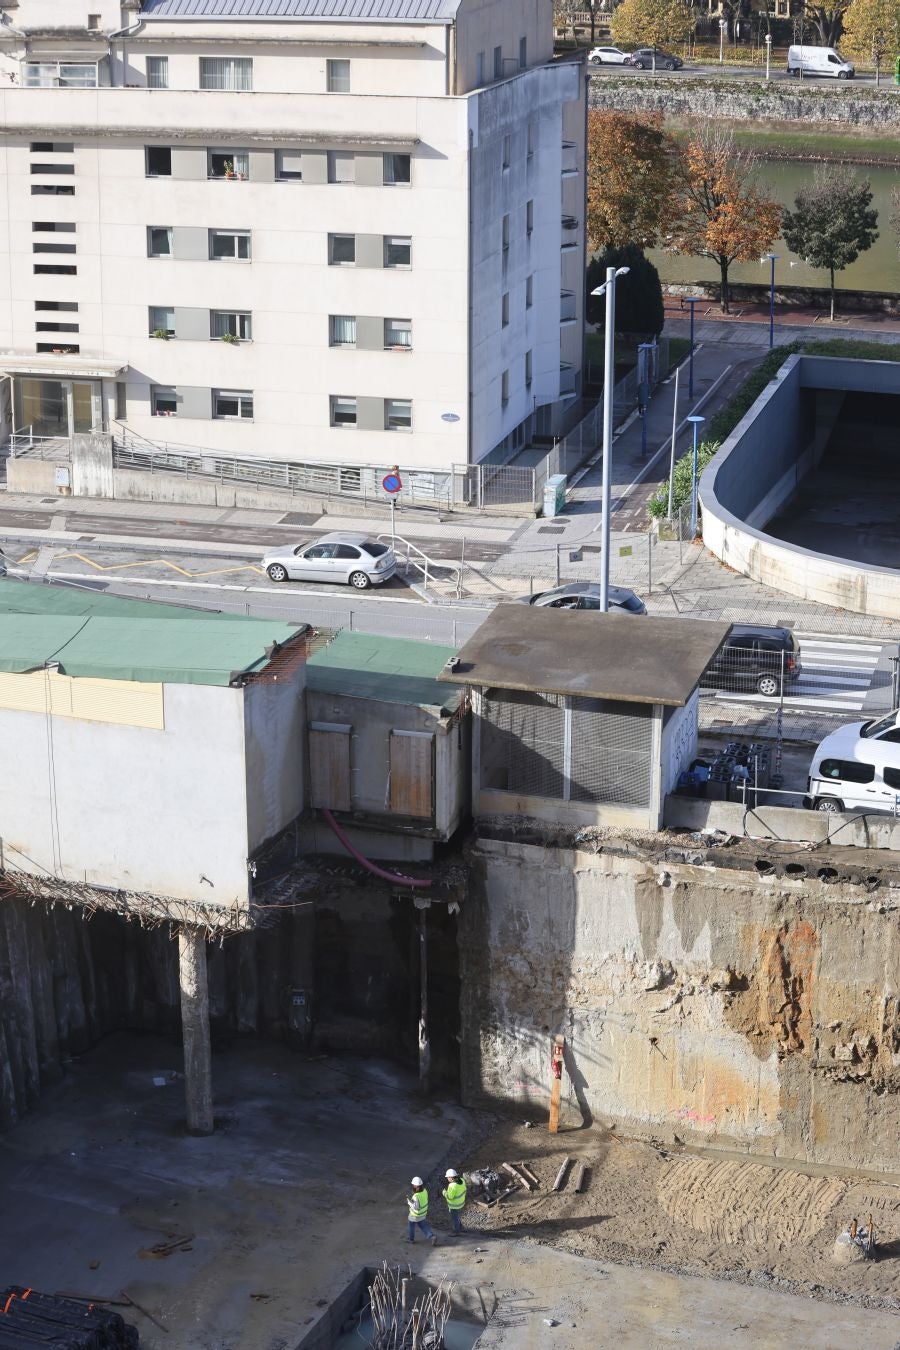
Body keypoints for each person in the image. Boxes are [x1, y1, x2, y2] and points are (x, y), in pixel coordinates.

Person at [407, 1176, 436, 1245]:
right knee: (423, 1225)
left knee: (411, 1226)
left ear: (417, 1186)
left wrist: (409, 1202)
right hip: (423, 1213)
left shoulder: (416, 1196)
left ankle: (411, 1240)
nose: (413, 1186)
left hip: (415, 1215)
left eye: (413, 1185)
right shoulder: (425, 1191)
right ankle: (431, 1236)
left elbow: (416, 1207)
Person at [441, 1168, 467, 1235]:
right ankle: (461, 1227)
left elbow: (450, 1197)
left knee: (455, 1218)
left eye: (448, 1177)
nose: (447, 1179)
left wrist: (444, 1193)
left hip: (454, 1206)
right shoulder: (462, 1180)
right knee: (457, 1216)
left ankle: (456, 1231)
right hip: (461, 1203)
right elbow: (464, 1190)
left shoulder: (452, 1186)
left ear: (451, 1178)